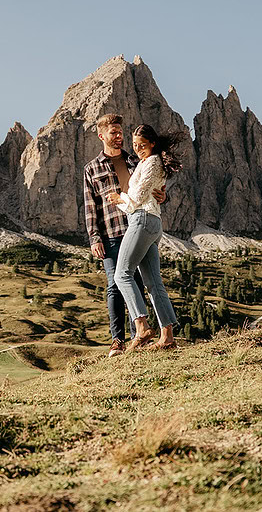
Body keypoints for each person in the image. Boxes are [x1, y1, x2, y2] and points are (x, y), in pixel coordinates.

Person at [83, 114, 166, 358]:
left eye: (120, 132)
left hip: (135, 227)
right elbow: (91, 207)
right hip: (109, 233)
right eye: (114, 133)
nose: (119, 137)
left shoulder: (135, 159)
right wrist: (94, 238)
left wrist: (163, 195)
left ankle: (137, 336)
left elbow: (149, 187)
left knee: (137, 282)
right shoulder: (92, 168)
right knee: (114, 284)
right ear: (102, 136)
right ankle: (117, 341)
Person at [106, 124, 183, 352]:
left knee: (121, 274)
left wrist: (118, 198)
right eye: (136, 145)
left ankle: (141, 326)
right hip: (151, 222)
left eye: (142, 145)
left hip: (142, 220)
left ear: (152, 143)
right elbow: (148, 195)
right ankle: (167, 336)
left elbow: (137, 198)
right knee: (153, 283)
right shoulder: (150, 161)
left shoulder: (151, 162)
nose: (138, 149)